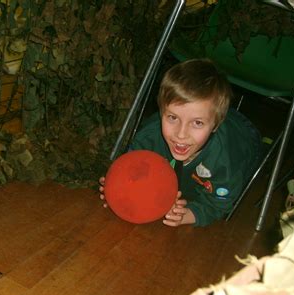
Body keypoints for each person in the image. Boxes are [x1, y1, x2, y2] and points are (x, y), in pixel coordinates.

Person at [99, 58, 262, 227]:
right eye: (172, 117)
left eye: (197, 123)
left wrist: (189, 214)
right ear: (161, 112)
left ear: (215, 126)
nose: (181, 134)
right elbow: (132, 170)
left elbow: (218, 203)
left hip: (246, 136)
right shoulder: (148, 137)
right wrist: (117, 188)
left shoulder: (225, 162)